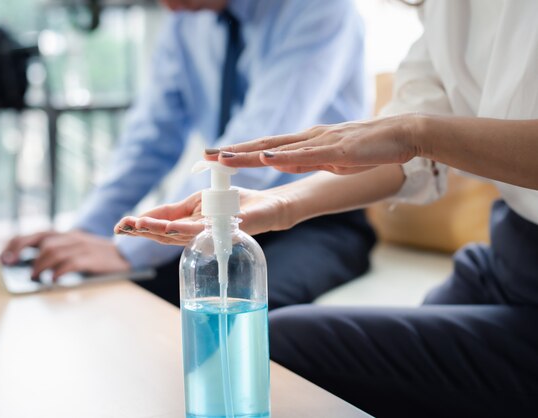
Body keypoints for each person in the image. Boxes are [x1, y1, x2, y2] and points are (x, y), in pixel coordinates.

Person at [116, 1, 538, 416]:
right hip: (504, 260)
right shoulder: (444, 10)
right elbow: (410, 160)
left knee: (282, 343)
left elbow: (415, 137)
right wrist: (281, 203)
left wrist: (415, 132)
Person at [1, 0, 377, 309]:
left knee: (243, 307)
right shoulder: (186, 24)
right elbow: (149, 140)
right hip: (218, 222)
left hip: (314, 218)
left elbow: (255, 151)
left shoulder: (320, 9)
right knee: (116, 293)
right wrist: (88, 233)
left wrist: (129, 250)